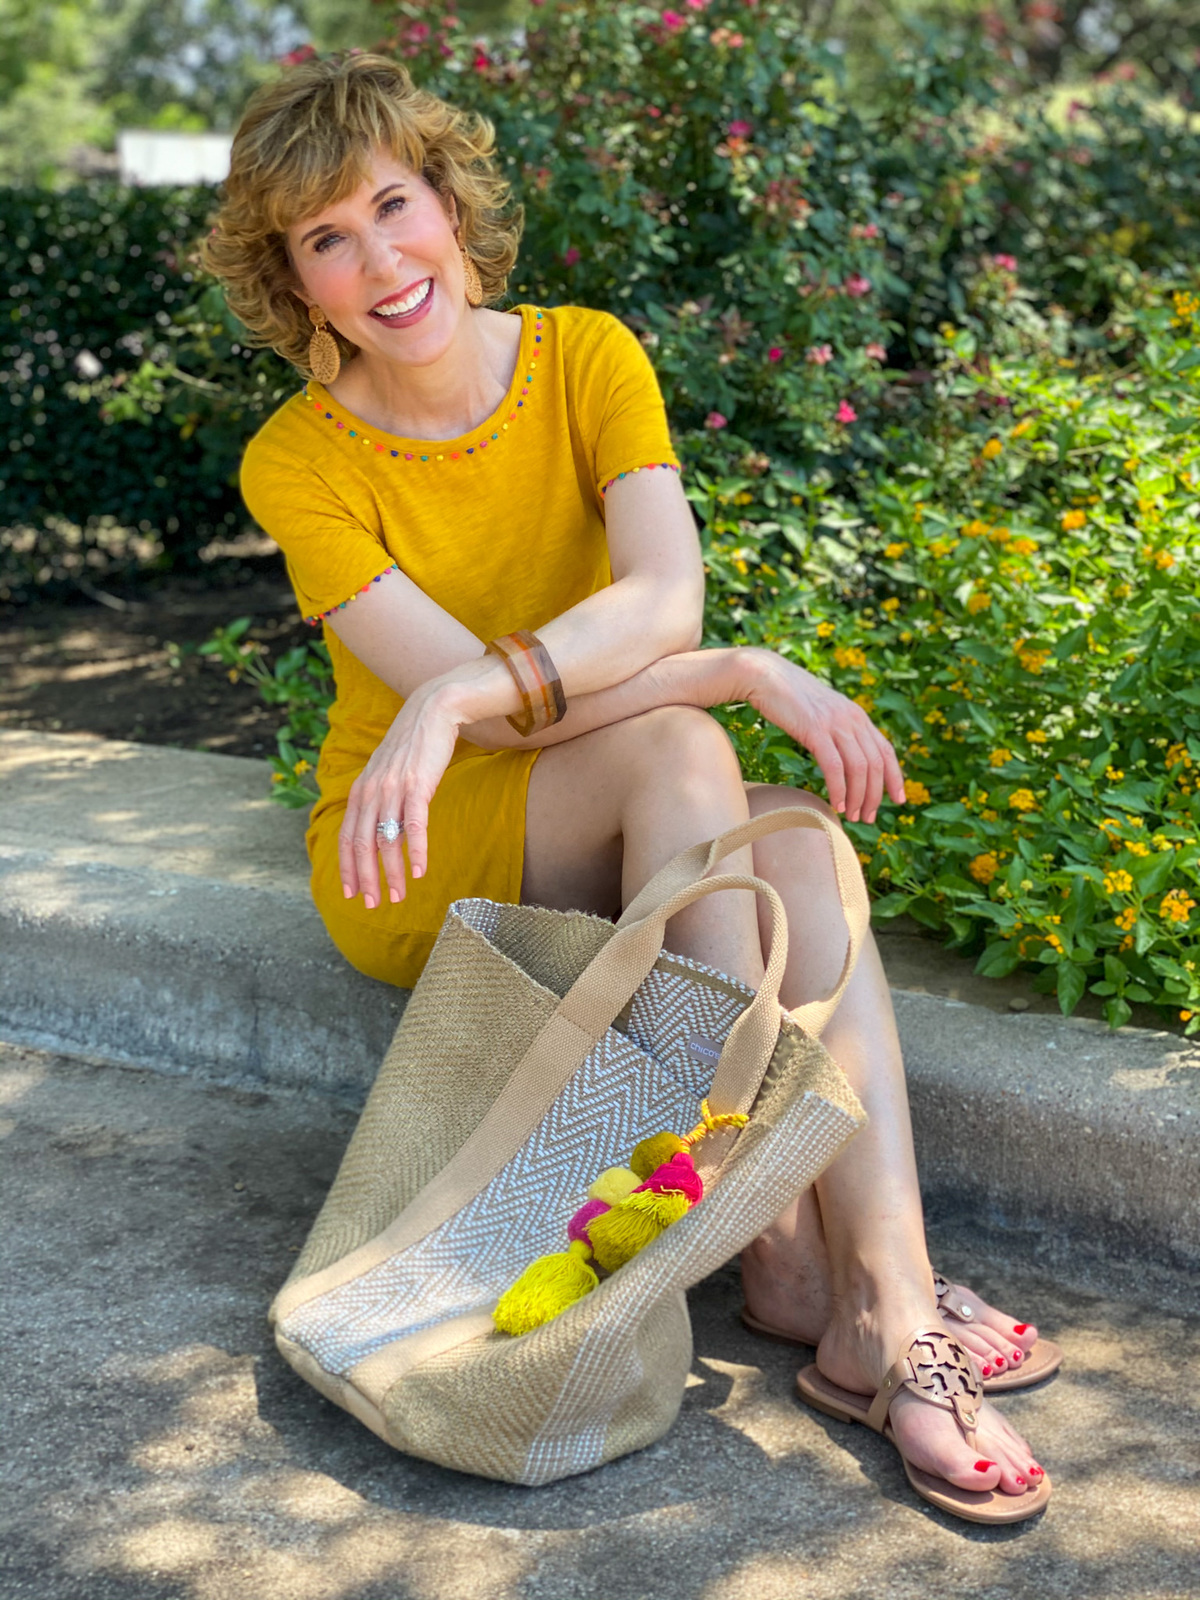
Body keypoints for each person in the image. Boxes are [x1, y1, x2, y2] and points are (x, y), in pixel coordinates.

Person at [203, 52, 1056, 1523]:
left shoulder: (587, 357)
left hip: (590, 790)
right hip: (413, 846)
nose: (380, 259)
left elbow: (656, 599)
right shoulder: (298, 460)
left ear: (452, 203)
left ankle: (878, 1302)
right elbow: (515, 729)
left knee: (799, 848)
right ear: (298, 284)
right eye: (326, 240)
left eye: (393, 205)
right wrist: (732, 671)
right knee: (689, 747)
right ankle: (782, 1236)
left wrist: (498, 676)